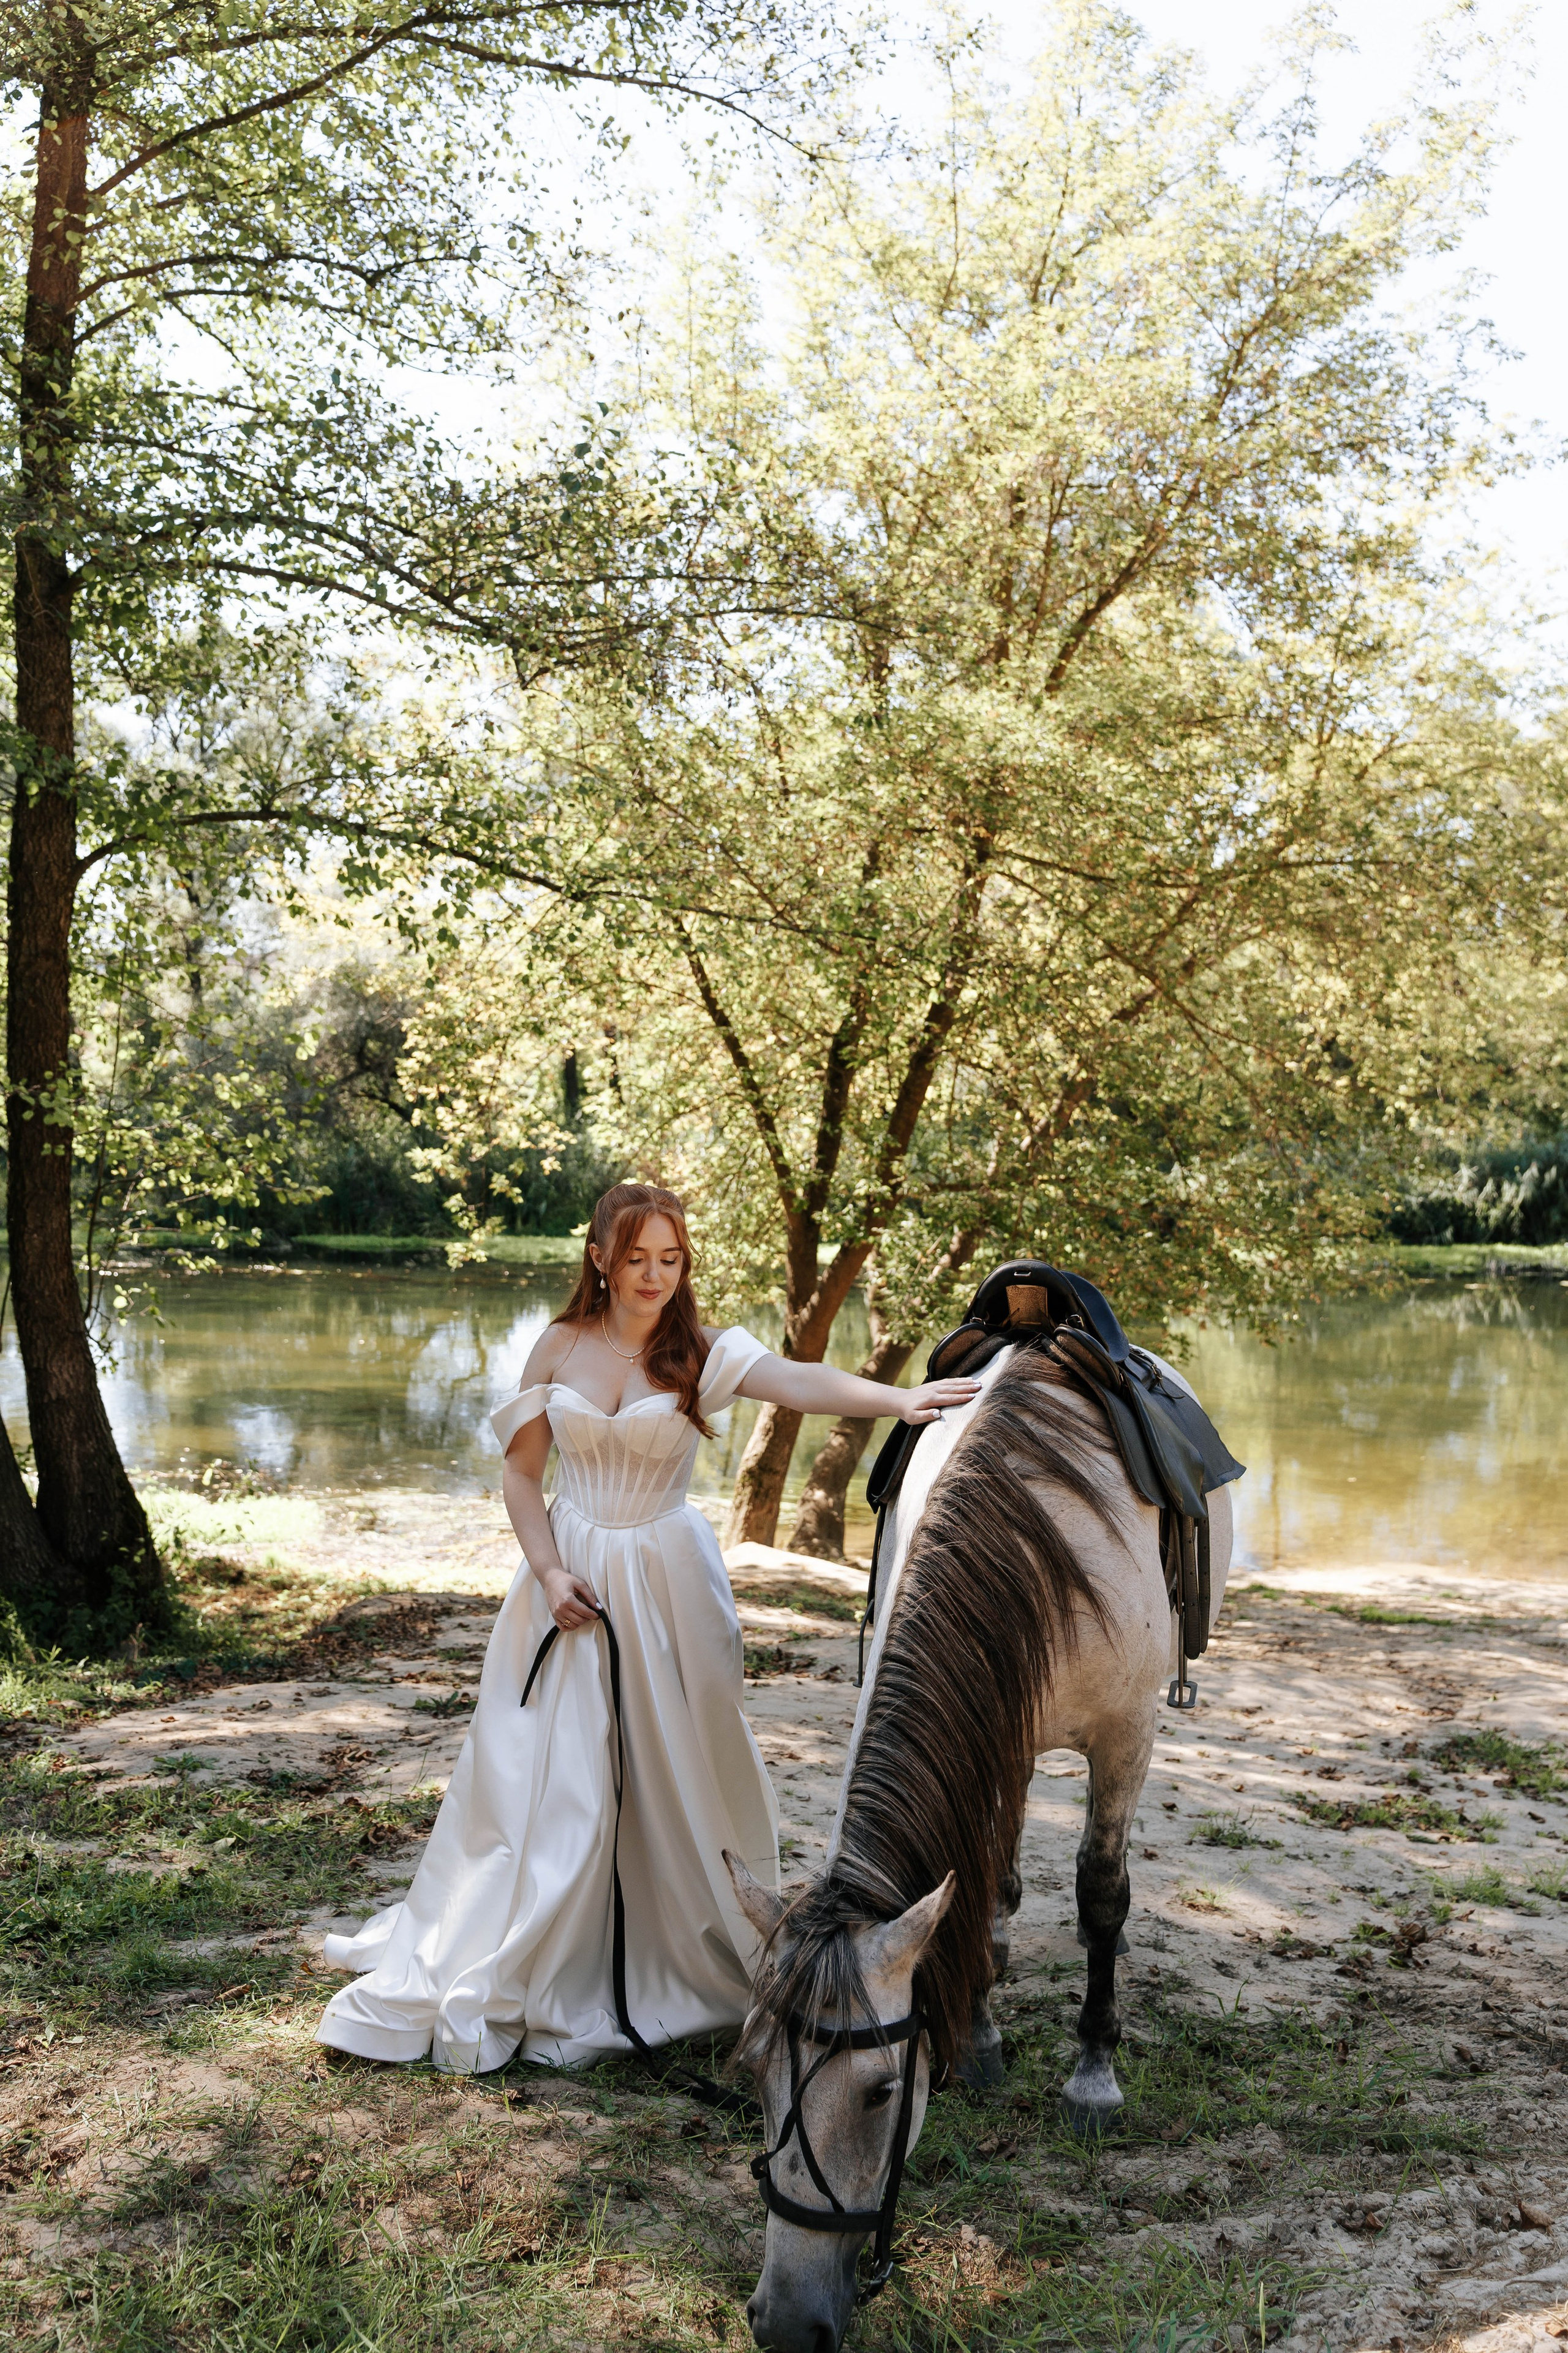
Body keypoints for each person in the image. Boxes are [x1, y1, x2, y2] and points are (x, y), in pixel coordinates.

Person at [315, 1181, 980, 2072]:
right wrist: (550, 1570)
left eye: (671, 1259)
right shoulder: (557, 1346)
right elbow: (521, 1478)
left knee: (678, 1763)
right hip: (573, 1573)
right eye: (637, 1258)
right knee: (555, 1774)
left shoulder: (699, 1351)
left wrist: (900, 1401)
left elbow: (801, 1380)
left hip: (669, 1581)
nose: (655, 1276)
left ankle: (674, 1942)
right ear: (599, 1256)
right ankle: (548, 1948)